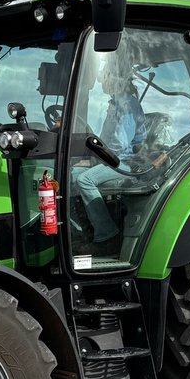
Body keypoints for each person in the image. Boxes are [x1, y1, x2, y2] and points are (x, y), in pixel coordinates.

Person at [73, 61, 147, 247]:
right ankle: (79, 231)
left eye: (103, 77)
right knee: (65, 177)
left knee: (84, 180)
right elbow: (106, 138)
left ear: (115, 79)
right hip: (109, 158)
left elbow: (121, 143)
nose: (101, 81)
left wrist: (95, 157)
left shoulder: (127, 104)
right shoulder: (114, 103)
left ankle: (106, 233)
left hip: (125, 162)